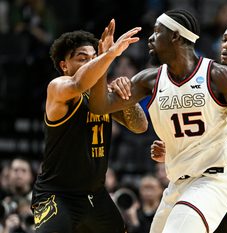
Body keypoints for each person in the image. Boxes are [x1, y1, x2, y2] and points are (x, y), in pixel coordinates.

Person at [96, 10, 227, 233]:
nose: (226, 45)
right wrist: (176, 146)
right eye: (224, 40)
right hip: (184, 179)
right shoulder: (199, 74)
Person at [31, 19, 148, 233]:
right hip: (59, 194)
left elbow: (139, 126)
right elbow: (79, 84)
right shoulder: (58, 87)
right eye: (82, 59)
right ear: (64, 65)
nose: (90, 63)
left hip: (95, 195)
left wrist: (127, 96)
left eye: (93, 58)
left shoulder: (101, 94)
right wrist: (109, 55)